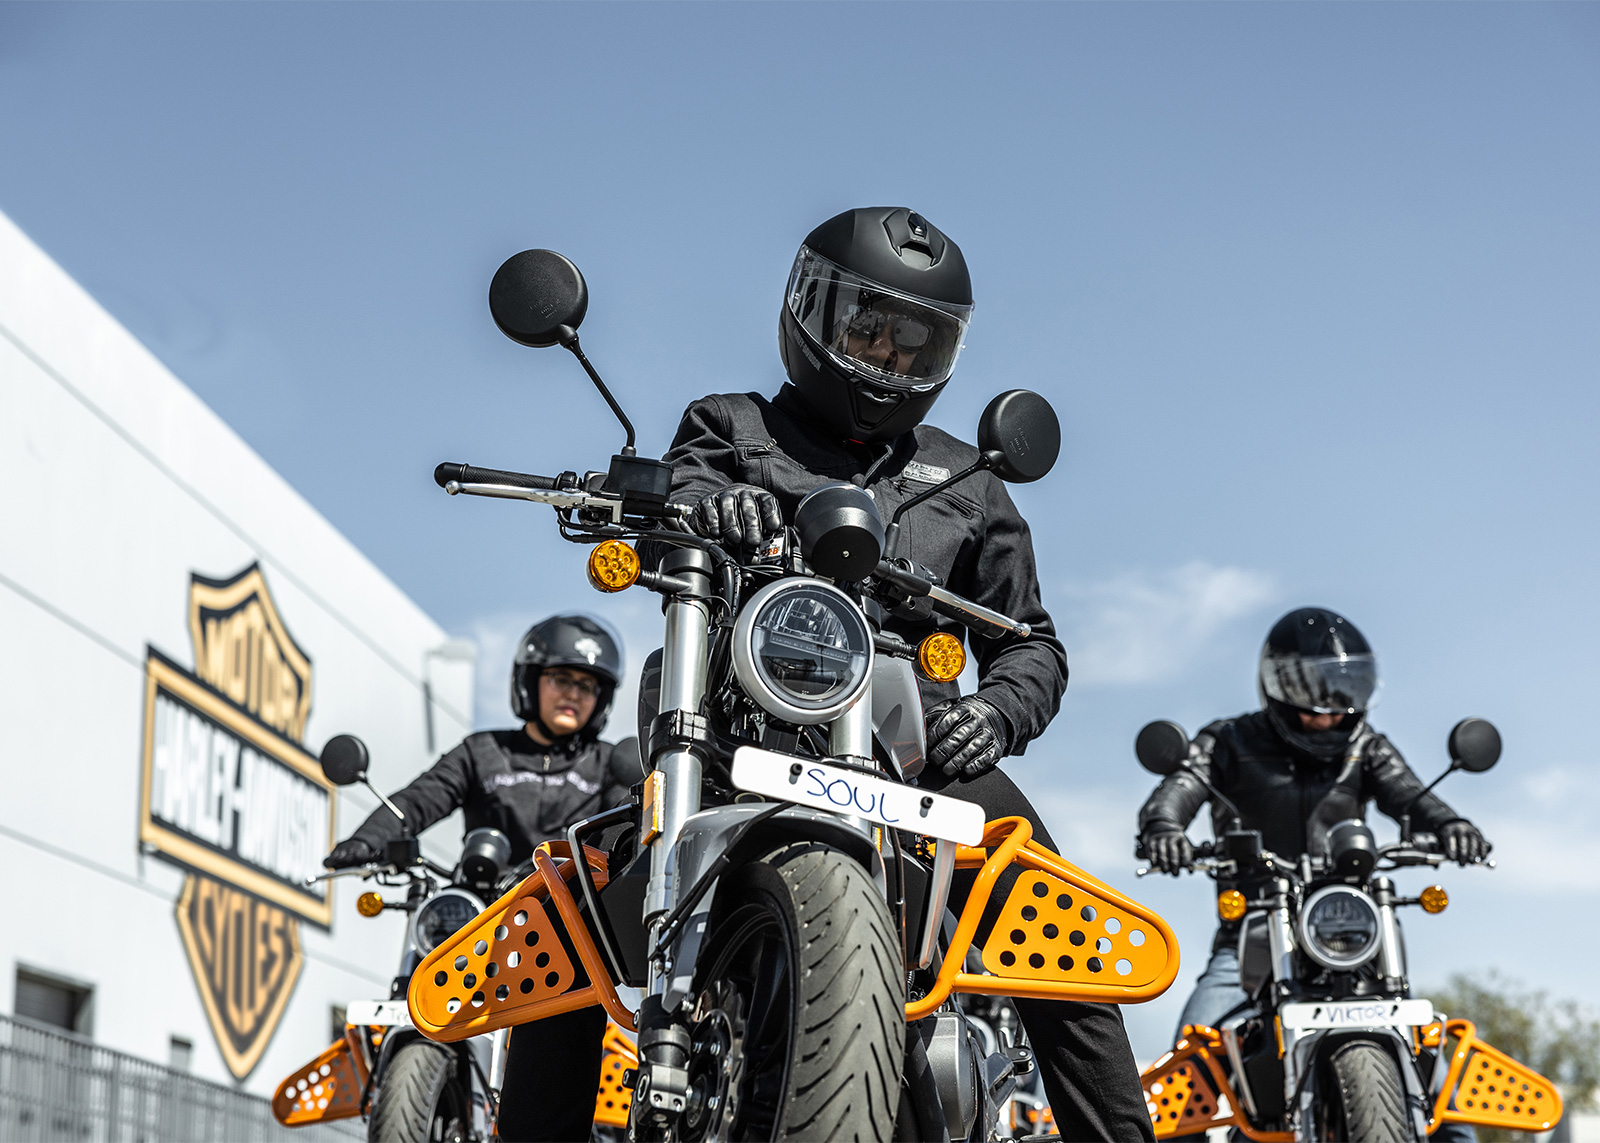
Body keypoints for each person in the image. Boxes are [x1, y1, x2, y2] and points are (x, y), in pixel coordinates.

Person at [658, 206, 1156, 1142]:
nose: (888, 355)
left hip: (916, 742)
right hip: (736, 712)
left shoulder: (969, 480)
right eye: (869, 329)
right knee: (565, 905)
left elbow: (1031, 641)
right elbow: (675, 498)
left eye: (915, 341)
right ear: (812, 315)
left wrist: (997, 715)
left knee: (1061, 934)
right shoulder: (729, 425)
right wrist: (711, 505)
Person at [1137, 607, 1489, 1141]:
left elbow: (1413, 798)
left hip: (1350, 927)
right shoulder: (1227, 741)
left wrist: (1454, 826)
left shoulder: (1365, 744)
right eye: (1315, 695)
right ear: (1278, 687)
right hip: (1252, 932)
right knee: (1188, 1069)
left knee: (1439, 1076)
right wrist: (1164, 830)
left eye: (1343, 690)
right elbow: (1174, 795)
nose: (1329, 711)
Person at [323, 614, 642, 1143]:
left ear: (602, 698)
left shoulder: (610, 766)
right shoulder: (483, 751)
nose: (573, 694)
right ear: (530, 682)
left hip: (561, 926)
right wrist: (367, 839)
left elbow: (614, 834)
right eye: (561, 679)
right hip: (481, 918)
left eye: (587, 685)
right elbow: (418, 801)